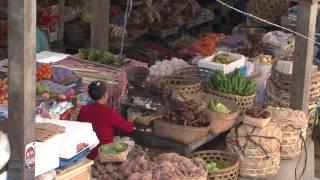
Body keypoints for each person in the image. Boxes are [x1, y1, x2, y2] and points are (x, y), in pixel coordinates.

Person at [78, 81, 136, 160]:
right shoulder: (109, 112)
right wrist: (131, 120)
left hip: (87, 151)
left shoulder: (83, 109)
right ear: (105, 95)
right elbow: (129, 129)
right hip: (103, 152)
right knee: (129, 141)